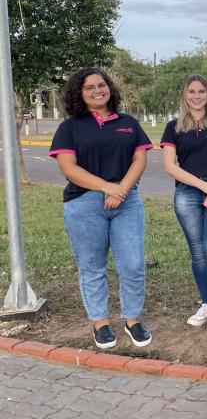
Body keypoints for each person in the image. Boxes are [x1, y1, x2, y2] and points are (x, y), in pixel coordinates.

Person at [49, 67, 153, 349]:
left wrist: (121, 189)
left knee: (133, 265)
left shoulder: (128, 122)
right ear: (79, 94)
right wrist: (106, 187)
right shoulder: (70, 127)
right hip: (84, 204)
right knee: (92, 267)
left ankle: (132, 320)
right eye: (89, 87)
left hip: (126, 201)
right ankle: (100, 323)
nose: (97, 91)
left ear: (110, 88)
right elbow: (68, 168)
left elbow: (139, 159)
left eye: (101, 85)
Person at [160, 75, 207, 334]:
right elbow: (170, 166)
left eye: (201, 91)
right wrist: (204, 188)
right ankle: (205, 302)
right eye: (191, 91)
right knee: (197, 250)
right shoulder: (173, 127)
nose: (196, 96)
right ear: (184, 95)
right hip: (187, 193)